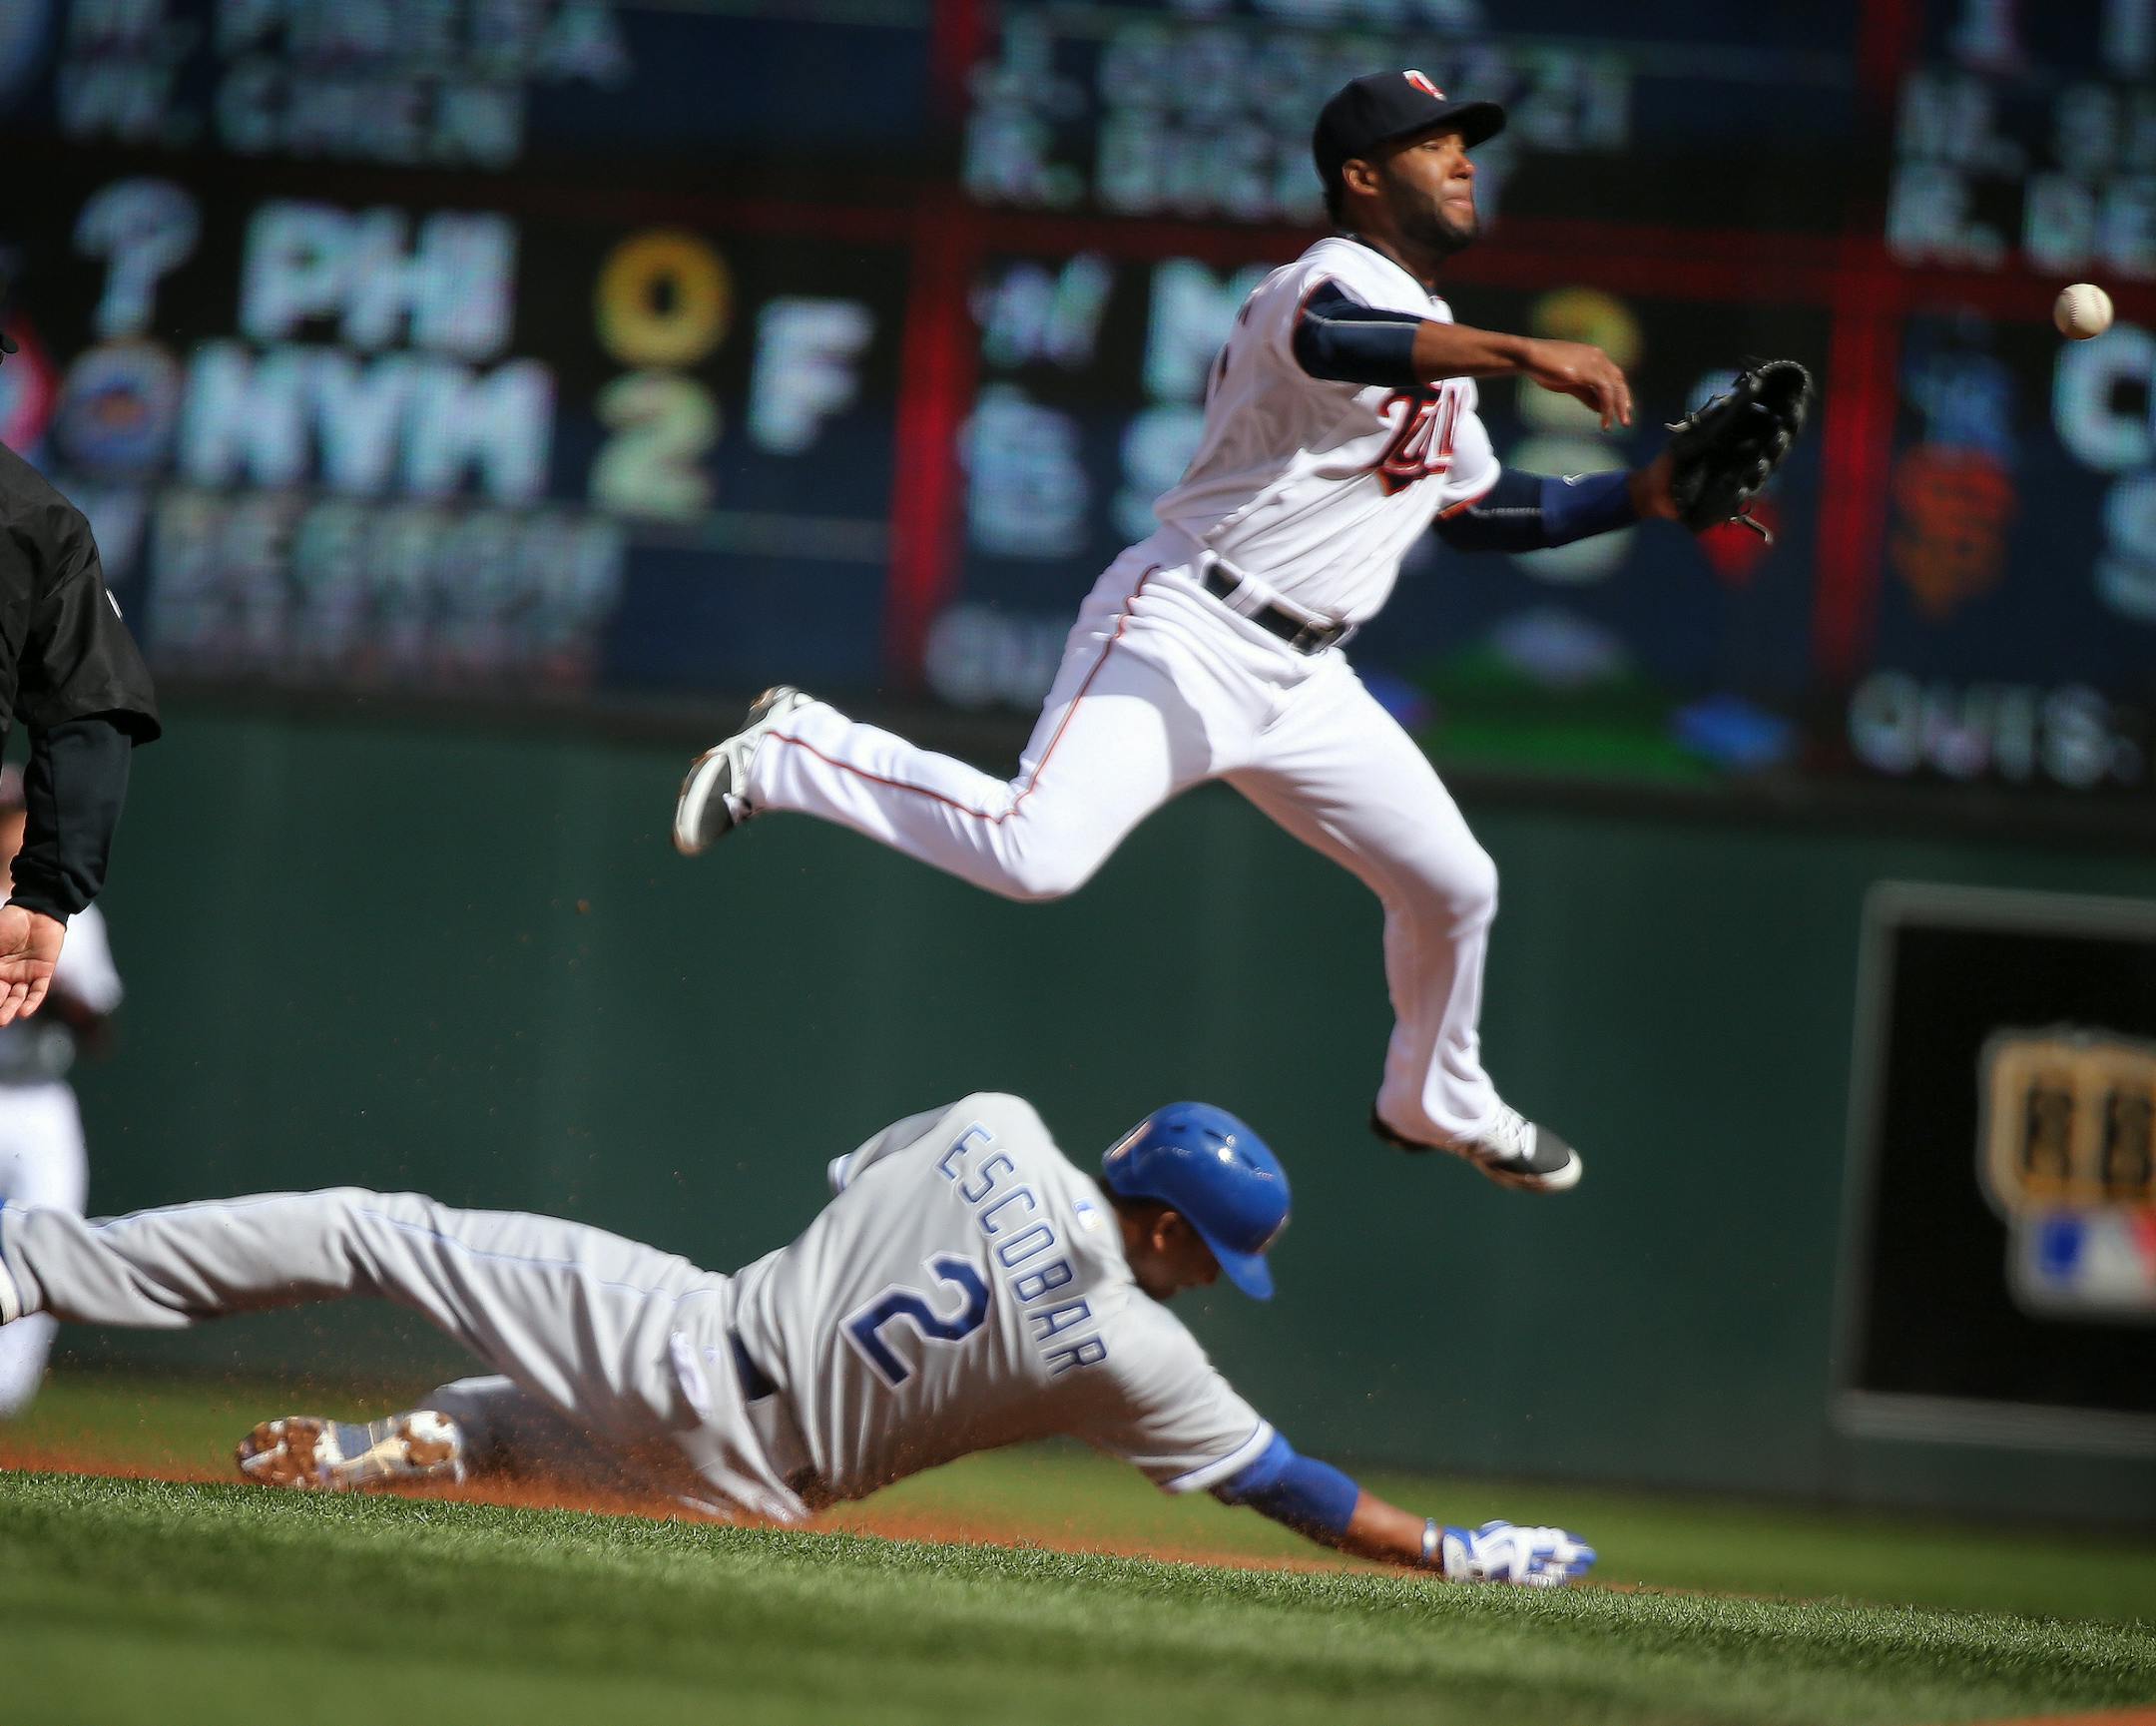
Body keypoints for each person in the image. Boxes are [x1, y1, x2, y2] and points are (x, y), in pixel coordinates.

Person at [671, 73, 1700, 1194]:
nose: (1461, 160)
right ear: (1362, 177)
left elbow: (1482, 512)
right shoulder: (1319, 284)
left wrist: (1643, 496)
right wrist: (1528, 352)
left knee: (1456, 884)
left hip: (1306, 681)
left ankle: (1434, 1094)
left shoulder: (1442, 345)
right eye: (1433, 144)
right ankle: (792, 750)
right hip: (1188, 625)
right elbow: (1338, 339)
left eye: (1466, 143)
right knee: (1035, 855)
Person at [0, 1093, 1596, 1585]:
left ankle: (24, 1268)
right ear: (1169, 1226)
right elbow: (1293, 1486)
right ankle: (415, 1443)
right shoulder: (1131, 1353)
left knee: (371, 1229)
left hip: (690, 1348)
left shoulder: (993, 1120)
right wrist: (1453, 1551)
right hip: (744, 1493)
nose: (1211, 1279)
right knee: (504, 1421)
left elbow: (850, 1191)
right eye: (1214, 1254)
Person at [0, 331, 162, 1027]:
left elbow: (91, 700)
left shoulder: (35, 521)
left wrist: (47, 887)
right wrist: (48, 888)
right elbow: (91, 703)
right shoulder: (31, 516)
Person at [0, 766, 124, 1415]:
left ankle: (5, 1401)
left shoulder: (63, 910)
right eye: (7, 818)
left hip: (37, 1098)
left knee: (45, 1249)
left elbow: (98, 1026)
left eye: (23, 817)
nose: (16, 830)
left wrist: (48, 989)